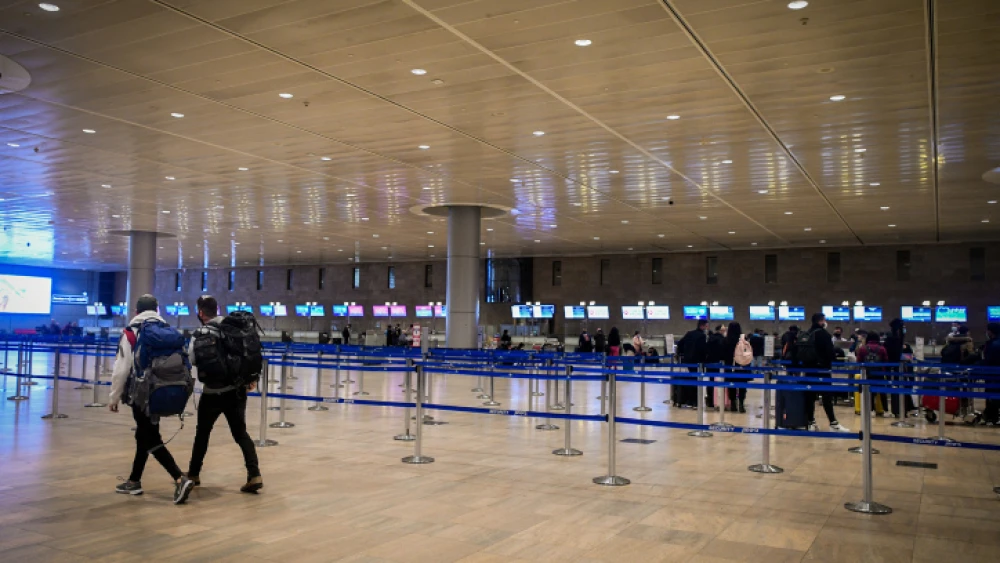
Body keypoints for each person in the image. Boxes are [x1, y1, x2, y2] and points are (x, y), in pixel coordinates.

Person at [108, 294, 195, 504]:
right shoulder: (168, 331)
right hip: (162, 389)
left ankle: (179, 478)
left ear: (136, 312)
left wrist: (114, 397)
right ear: (157, 311)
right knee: (144, 434)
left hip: (141, 394)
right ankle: (134, 481)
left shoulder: (131, 333)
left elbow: (121, 369)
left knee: (150, 437)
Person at [186, 296, 263, 494]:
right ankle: (254, 474)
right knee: (241, 433)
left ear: (201, 312)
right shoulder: (236, 329)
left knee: (202, 433)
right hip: (236, 392)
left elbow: (193, 359)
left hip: (212, 392)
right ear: (218, 309)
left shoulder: (200, 333)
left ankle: (193, 474)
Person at [801, 313, 850, 432]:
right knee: (827, 397)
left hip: (808, 370)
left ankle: (810, 422)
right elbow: (830, 354)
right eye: (824, 320)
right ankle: (833, 423)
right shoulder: (824, 334)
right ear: (820, 321)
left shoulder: (807, 334)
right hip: (822, 369)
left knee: (810, 397)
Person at [883, 318, 915, 418]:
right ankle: (904, 409)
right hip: (898, 367)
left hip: (892, 367)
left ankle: (898, 410)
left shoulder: (891, 337)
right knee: (902, 387)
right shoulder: (898, 337)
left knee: (896, 389)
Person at [676, 320, 709, 408]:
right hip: (697, 362)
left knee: (689, 380)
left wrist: (683, 354)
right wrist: (704, 360)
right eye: (706, 326)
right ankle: (695, 402)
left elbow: (680, 343)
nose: (706, 328)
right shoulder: (702, 336)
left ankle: (689, 401)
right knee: (697, 381)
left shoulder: (689, 333)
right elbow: (703, 349)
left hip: (687, 361)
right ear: (702, 326)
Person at [856, 332, 890, 415]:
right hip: (879, 373)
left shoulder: (863, 348)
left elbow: (859, 361)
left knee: (869, 391)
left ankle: (870, 410)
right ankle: (885, 410)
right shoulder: (882, 348)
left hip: (867, 373)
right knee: (882, 392)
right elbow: (886, 361)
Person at [721, 321, 748, 412]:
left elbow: (723, 354)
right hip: (742, 365)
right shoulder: (743, 340)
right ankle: (741, 403)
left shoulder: (726, 340)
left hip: (729, 365)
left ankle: (733, 403)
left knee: (731, 385)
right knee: (742, 385)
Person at [981, 323, 1000, 425]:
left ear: (991, 332)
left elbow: (988, 360)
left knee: (992, 396)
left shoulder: (992, 344)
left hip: (993, 375)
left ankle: (991, 417)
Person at [705, 325, 726, 409]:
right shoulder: (722, 339)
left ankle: (710, 400)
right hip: (719, 363)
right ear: (720, 331)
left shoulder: (710, 338)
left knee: (711, 381)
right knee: (719, 382)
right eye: (724, 330)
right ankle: (718, 401)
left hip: (710, 362)